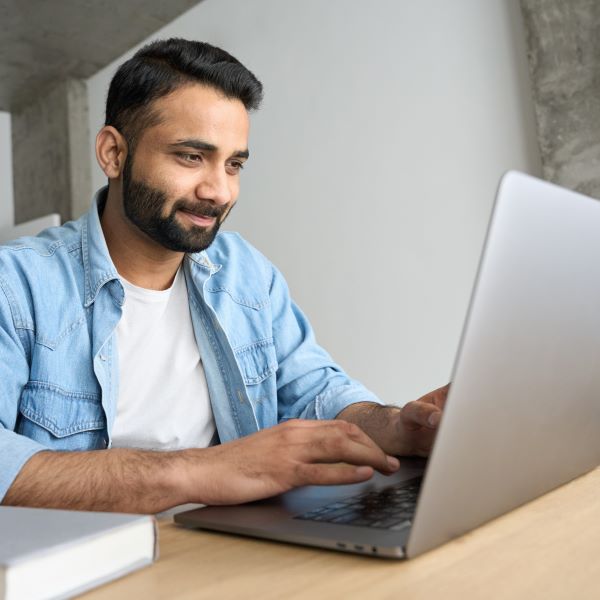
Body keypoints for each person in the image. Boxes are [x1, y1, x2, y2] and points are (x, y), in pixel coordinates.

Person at [0, 38, 448, 514]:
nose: (218, 191)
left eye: (233, 164)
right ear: (113, 153)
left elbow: (314, 392)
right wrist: (202, 472)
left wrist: (398, 427)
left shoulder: (245, 273)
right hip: (82, 567)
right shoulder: (17, 285)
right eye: (190, 157)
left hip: (225, 550)